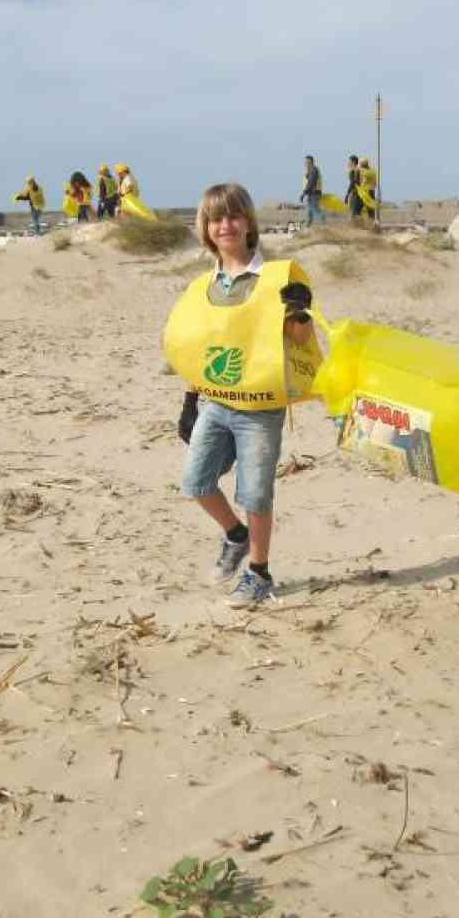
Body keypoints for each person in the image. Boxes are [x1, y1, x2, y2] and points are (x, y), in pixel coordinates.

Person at [162, 183, 320, 609]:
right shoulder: (202, 286)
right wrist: (190, 398)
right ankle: (235, 536)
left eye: (233, 216)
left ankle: (259, 572)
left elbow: (301, 339)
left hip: (260, 409)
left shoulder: (275, 278)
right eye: (216, 219)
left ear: (248, 222)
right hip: (214, 402)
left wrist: (300, 311)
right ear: (206, 228)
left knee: (255, 493)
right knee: (196, 483)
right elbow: (200, 346)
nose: (225, 225)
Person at [299, 155, 324, 227]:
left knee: (315, 210)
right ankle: (308, 226)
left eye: (307, 162)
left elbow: (311, 182)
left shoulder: (314, 170)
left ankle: (324, 224)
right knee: (310, 211)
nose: (305, 164)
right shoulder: (310, 171)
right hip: (311, 193)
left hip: (314, 193)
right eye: (305, 162)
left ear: (311, 162)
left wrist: (303, 193)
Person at [345, 154, 362, 220]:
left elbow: (352, 183)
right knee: (357, 211)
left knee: (353, 211)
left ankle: (355, 224)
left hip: (355, 193)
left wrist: (347, 194)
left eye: (349, 161)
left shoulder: (353, 170)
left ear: (353, 162)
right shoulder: (359, 170)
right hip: (359, 192)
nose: (348, 163)